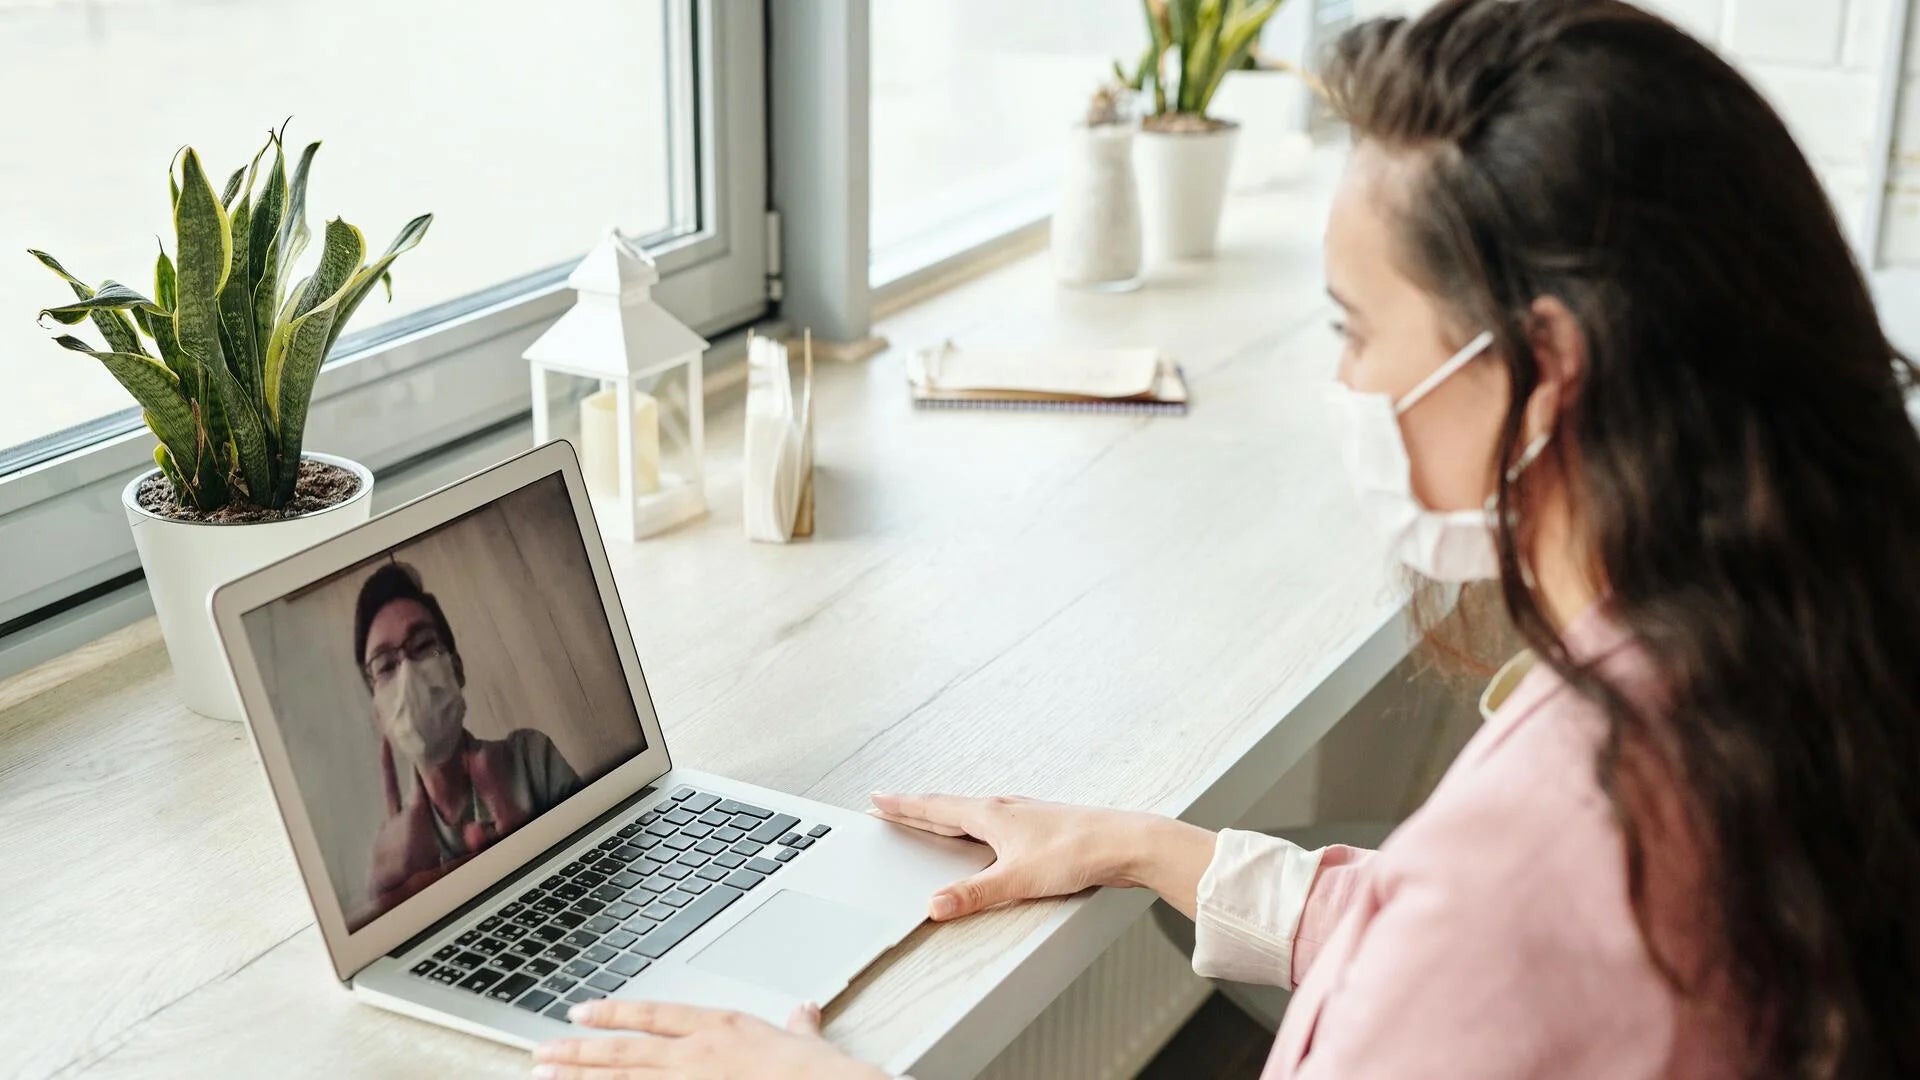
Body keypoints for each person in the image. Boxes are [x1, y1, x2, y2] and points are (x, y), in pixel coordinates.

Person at [530, 0, 1920, 1076]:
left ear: (1543, 373)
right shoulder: (1780, 651)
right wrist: (1152, 848)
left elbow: (1484, 936)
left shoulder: (1563, 832)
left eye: (1358, 331)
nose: (1345, 388)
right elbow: (1473, 969)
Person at [354, 561, 582, 923]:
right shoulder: (394, 854)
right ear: (378, 712)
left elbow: (598, 875)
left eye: (424, 645)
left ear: (457, 669)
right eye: (385, 665)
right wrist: (391, 909)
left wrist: (532, 855)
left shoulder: (531, 758)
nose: (409, 674)